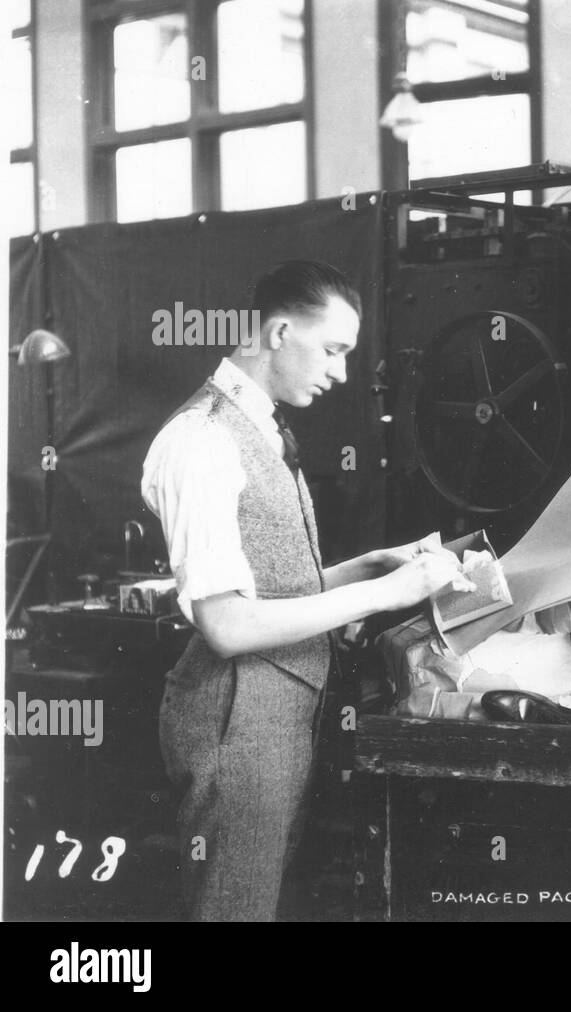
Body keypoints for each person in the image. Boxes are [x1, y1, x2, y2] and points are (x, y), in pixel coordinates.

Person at [141, 260, 470, 921]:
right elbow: (229, 626)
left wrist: (370, 566)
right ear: (281, 331)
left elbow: (268, 589)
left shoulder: (257, 423)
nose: (341, 372)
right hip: (237, 725)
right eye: (333, 350)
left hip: (275, 720)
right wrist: (387, 593)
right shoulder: (203, 440)